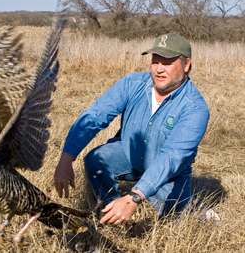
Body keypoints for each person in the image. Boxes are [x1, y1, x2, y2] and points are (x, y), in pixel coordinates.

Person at [54, 33, 214, 225]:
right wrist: (66, 159)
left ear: (186, 65)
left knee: (177, 218)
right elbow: (95, 115)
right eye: (155, 62)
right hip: (129, 154)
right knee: (96, 159)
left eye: (167, 63)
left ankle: (195, 209)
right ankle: (111, 211)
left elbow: (172, 157)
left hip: (167, 173)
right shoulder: (132, 84)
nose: (159, 70)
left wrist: (135, 197)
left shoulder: (194, 108)